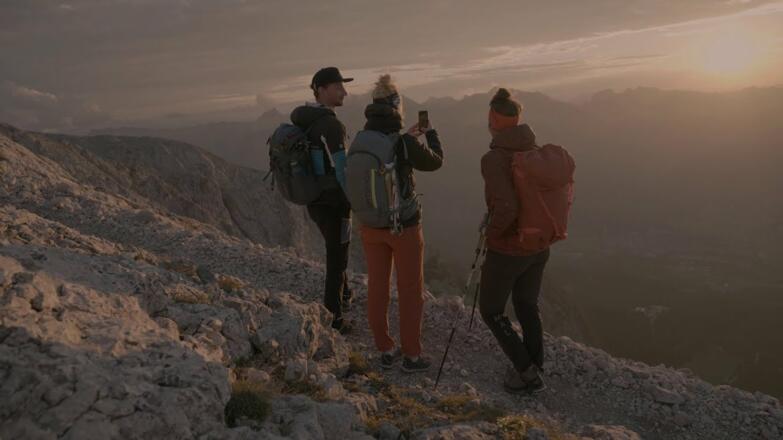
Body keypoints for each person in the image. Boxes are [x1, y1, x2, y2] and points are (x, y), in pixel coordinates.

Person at [358, 75, 444, 373]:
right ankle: (412, 355)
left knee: (377, 287)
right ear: (397, 105)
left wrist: (407, 139)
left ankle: (385, 348)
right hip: (403, 226)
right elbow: (436, 161)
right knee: (409, 289)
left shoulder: (362, 139)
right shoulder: (405, 142)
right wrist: (430, 134)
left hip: (370, 226)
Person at [479, 88, 549, 394]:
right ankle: (534, 365)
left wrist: (491, 235)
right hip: (539, 244)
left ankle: (526, 372)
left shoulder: (495, 158)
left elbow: (506, 206)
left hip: (509, 249)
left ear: (494, 119)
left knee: (491, 310)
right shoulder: (534, 149)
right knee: (526, 305)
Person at [290, 67, 355, 334]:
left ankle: (345, 294)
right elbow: (342, 170)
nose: (344, 92)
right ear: (321, 90)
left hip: (313, 198)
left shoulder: (306, 119)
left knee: (334, 248)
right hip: (335, 202)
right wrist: (356, 200)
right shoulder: (330, 124)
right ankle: (334, 317)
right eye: (338, 86)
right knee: (337, 256)